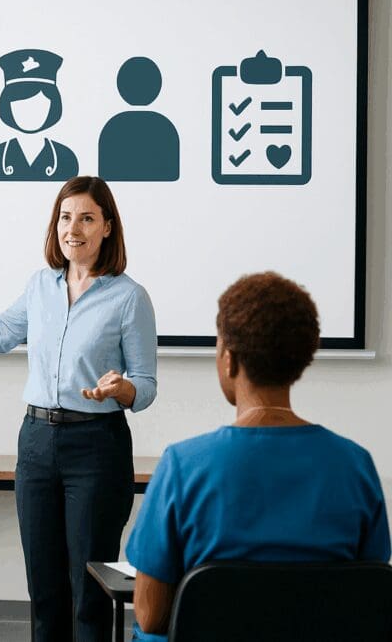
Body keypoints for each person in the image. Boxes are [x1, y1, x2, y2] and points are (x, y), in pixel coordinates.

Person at [0, 176, 157, 642]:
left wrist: (121, 388)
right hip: (36, 443)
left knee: (87, 596)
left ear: (107, 227)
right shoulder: (39, 286)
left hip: (96, 447)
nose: (74, 228)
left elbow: (146, 385)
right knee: (44, 593)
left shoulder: (129, 297)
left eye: (87, 218)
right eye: (66, 217)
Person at [126, 272, 390, 641]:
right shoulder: (355, 466)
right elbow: (369, 596)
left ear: (228, 361)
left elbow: (151, 615)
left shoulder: (183, 467)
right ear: (301, 360)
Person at [0, 49, 80, 182]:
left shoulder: (66, 159)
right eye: (21, 104)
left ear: (53, 105)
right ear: (7, 105)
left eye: (39, 104)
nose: (30, 113)